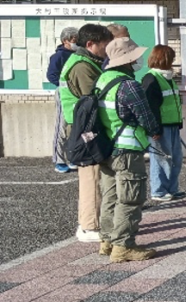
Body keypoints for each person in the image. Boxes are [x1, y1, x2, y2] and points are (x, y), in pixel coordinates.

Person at [96, 38, 161, 262]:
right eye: (135, 57)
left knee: (110, 196)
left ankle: (107, 241)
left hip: (105, 147)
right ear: (127, 60)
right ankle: (123, 246)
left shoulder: (102, 79)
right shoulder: (128, 85)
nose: (138, 61)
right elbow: (145, 116)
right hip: (127, 148)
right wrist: (154, 131)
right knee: (130, 198)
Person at [58, 23, 113, 243]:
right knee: (91, 177)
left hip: (84, 126)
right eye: (105, 45)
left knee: (94, 175)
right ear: (90, 44)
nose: (107, 50)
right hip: (84, 129)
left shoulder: (86, 62)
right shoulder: (82, 66)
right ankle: (89, 226)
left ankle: (91, 222)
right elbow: (94, 98)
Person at [142, 45, 184, 202]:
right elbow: (150, 106)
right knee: (161, 159)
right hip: (161, 126)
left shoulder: (168, 78)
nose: (173, 61)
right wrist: (154, 128)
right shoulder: (151, 78)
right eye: (171, 58)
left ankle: (172, 189)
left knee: (175, 159)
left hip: (172, 123)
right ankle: (159, 190)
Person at [48, 26, 79, 174]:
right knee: (62, 126)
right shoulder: (58, 56)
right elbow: (51, 75)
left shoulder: (78, 55)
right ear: (65, 40)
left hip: (77, 95)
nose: (76, 42)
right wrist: (65, 86)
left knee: (75, 127)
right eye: (74, 40)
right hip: (64, 94)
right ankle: (59, 160)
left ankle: (73, 158)